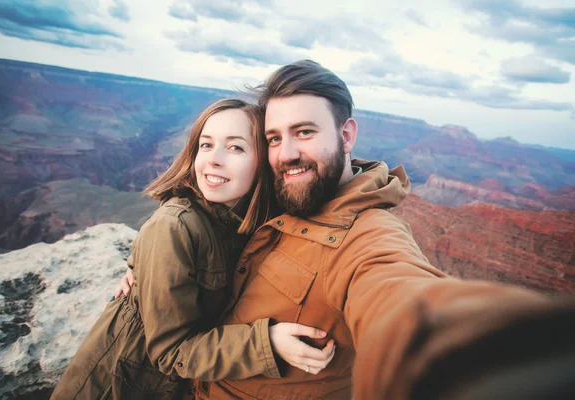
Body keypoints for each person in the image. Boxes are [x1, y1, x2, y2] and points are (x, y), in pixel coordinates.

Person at [118, 61, 574, 399]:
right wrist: (147, 259)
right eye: (274, 138)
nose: (287, 152)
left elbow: (399, 294)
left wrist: (489, 355)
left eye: (305, 132)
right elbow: (198, 222)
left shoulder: (370, 236)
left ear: (347, 134)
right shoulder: (287, 193)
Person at [50, 99, 336, 400]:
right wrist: (267, 343)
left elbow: (331, 177)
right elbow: (172, 352)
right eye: (206, 145)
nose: (213, 160)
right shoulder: (175, 228)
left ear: (264, 162)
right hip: (118, 387)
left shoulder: (253, 219)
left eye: (235, 148)